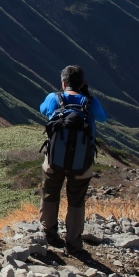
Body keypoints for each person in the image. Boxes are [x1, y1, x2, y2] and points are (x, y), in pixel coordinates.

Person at [39, 65, 107, 253]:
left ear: (63, 82)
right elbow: (103, 118)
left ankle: (49, 232)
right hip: (82, 163)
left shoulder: (54, 98)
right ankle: (74, 241)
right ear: (83, 83)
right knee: (76, 199)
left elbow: (43, 110)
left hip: (54, 160)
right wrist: (87, 97)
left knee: (49, 193)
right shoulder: (91, 102)